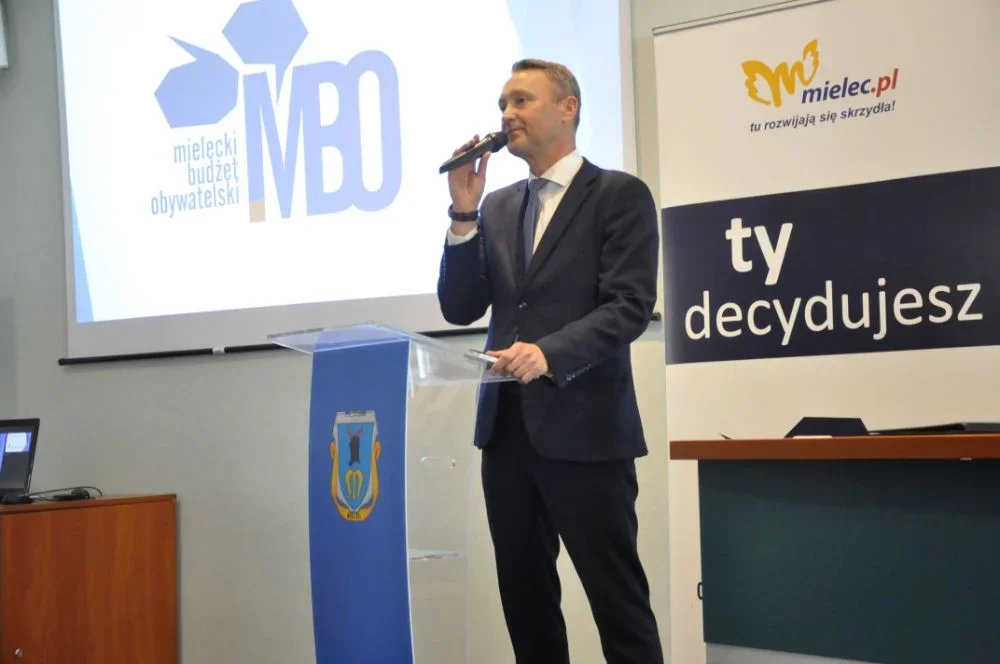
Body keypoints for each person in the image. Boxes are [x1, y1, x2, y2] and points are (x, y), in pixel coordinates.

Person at [437, 59, 663, 664]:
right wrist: (462, 213)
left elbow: (630, 306)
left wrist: (548, 354)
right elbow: (460, 307)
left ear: (568, 108)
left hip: (587, 432)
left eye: (521, 100)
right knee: (526, 603)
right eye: (502, 104)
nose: (507, 114)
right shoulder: (497, 206)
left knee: (618, 604)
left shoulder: (617, 195)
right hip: (507, 435)